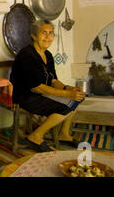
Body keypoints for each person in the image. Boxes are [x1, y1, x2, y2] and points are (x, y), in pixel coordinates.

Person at [9, 19, 85, 152]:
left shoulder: (48, 55)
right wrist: (67, 94)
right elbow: (36, 87)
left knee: (77, 98)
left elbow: (53, 80)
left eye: (51, 33)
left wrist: (69, 89)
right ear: (34, 35)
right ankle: (36, 136)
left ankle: (64, 135)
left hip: (41, 93)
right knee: (65, 107)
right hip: (25, 96)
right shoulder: (26, 55)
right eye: (43, 33)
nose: (48, 37)